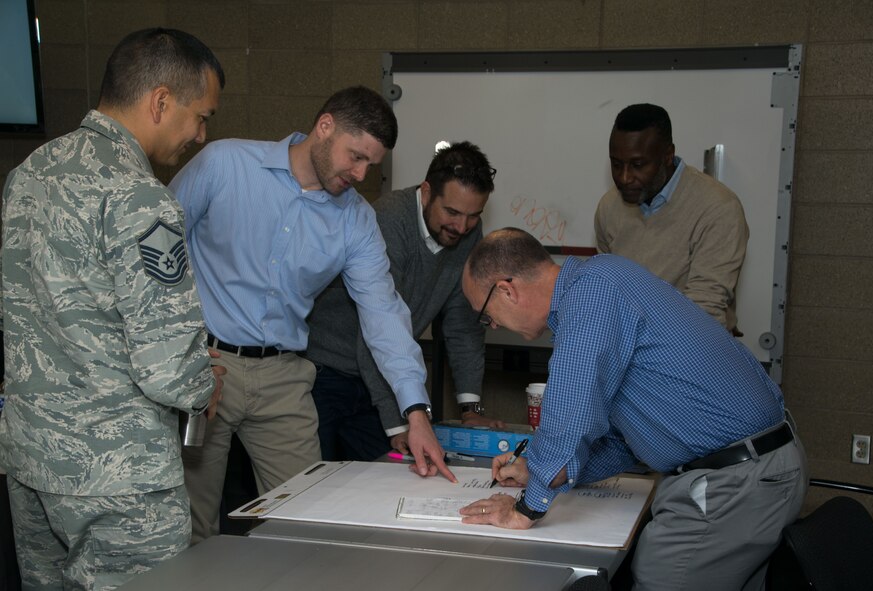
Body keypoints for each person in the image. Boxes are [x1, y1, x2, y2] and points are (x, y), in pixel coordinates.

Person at [169, 85, 456, 544]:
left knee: (306, 521)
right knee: (190, 524)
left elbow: (384, 314)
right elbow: (156, 250)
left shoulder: (357, 220)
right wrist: (177, 347)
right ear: (325, 127)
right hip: (207, 366)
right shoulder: (224, 164)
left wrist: (415, 413)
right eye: (356, 157)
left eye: (371, 165)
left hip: (283, 376)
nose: (360, 175)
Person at [0, 28, 226, 589]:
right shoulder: (140, 197)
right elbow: (169, 367)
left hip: (33, 459)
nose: (200, 136)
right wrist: (205, 385)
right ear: (160, 101)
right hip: (119, 476)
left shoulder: (29, 174)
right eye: (201, 117)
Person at [458, 228, 807, 591]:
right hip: (759, 471)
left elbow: (568, 418)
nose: (492, 325)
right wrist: (536, 470)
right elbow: (621, 442)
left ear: (506, 290)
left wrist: (524, 510)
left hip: (733, 483)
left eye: (485, 316)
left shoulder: (590, 295)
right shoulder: (603, 281)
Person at [307, 141, 506, 462]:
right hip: (327, 373)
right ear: (426, 192)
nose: (461, 227)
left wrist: (471, 409)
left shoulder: (467, 230)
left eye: (473, 216)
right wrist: (399, 422)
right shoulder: (388, 220)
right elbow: (376, 326)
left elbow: (463, 325)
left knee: (388, 476)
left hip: (383, 378)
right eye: (452, 212)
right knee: (319, 481)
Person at [594, 103, 749, 333]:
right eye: (616, 165)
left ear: (667, 155)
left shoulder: (718, 208)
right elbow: (608, 290)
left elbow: (703, 312)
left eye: (638, 165)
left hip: (691, 342)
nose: (625, 178)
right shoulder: (609, 207)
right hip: (630, 343)